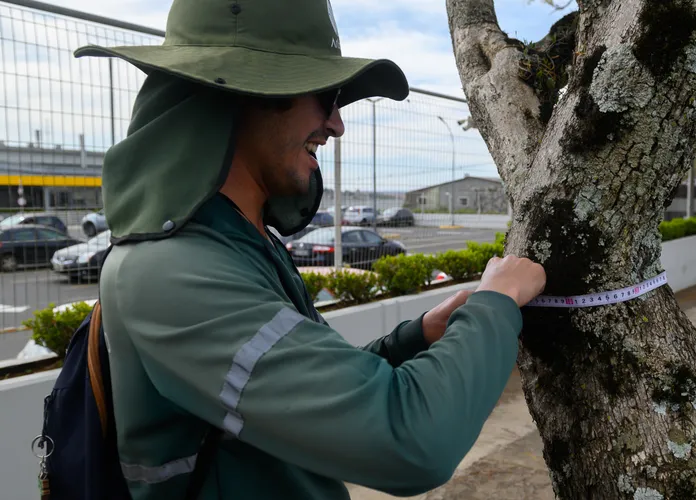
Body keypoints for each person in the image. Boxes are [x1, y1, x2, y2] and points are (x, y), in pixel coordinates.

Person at [73, 0, 546, 497]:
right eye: (325, 95)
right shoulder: (170, 272)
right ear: (248, 89)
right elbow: (411, 441)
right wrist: (496, 303)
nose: (337, 124)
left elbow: (316, 395)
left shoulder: (241, 243)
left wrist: (418, 337)